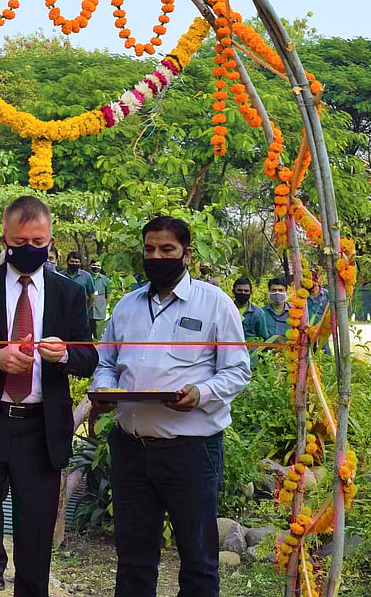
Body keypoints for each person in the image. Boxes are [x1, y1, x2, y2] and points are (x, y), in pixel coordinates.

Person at [0, 195, 98, 597]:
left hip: (41, 432)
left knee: (35, 545)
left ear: (51, 241)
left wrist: (65, 354)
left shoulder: (68, 293)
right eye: (20, 242)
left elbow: (88, 356)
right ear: (4, 239)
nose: (30, 249)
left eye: (38, 242)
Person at [91, 216, 251, 597]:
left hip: (190, 452)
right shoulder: (127, 306)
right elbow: (106, 362)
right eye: (150, 249)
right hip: (130, 449)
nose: (157, 257)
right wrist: (104, 389)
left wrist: (201, 392)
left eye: (167, 249)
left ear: (187, 254)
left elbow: (238, 371)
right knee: (133, 559)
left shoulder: (215, 304)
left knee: (198, 562)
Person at [232, 276, 274, 362]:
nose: (243, 293)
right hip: (229, 355)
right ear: (233, 291)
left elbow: (263, 338)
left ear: (251, 292)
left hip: (251, 359)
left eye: (246, 291)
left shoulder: (258, 313)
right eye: (239, 290)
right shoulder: (226, 310)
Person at [58, 250, 96, 326]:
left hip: (80, 313)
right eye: (72, 261)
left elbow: (92, 296)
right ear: (67, 262)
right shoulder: (59, 275)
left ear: (80, 263)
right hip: (62, 313)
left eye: (76, 262)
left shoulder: (86, 276)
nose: (74, 264)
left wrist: (86, 310)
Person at [262, 276, 292, 340]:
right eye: (274, 290)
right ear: (269, 291)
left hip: (288, 346)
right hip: (266, 346)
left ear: (286, 291)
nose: (277, 293)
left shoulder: (294, 312)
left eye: (280, 290)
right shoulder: (261, 313)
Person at [89, 260, 112, 339]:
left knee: (98, 333)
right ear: (90, 266)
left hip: (100, 311)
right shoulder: (87, 277)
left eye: (98, 265)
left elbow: (108, 295)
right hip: (88, 310)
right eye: (94, 265)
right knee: (88, 333)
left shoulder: (105, 279)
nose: (96, 267)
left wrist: (105, 306)